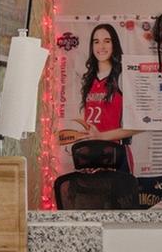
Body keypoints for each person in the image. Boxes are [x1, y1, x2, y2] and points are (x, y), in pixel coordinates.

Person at [58, 22, 140, 169]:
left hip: (116, 154)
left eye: (107, 41)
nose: (101, 46)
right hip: (91, 154)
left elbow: (139, 125)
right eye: (96, 42)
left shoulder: (123, 76)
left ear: (114, 44)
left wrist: (101, 136)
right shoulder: (88, 78)